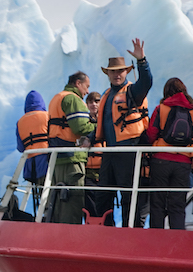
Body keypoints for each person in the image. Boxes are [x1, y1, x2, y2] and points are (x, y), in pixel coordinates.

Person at [94, 38, 152, 227]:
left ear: (126, 72)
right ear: (108, 74)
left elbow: (146, 82)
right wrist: (88, 139)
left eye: (120, 71)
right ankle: (105, 228)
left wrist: (142, 61)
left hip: (128, 151)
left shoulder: (132, 92)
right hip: (110, 152)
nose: (116, 75)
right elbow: (102, 124)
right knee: (103, 193)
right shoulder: (106, 95)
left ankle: (130, 230)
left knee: (128, 193)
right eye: (113, 72)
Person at [145, 78, 193, 229]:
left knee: (157, 203)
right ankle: (176, 239)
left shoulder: (161, 109)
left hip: (160, 159)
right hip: (183, 162)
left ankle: (156, 238)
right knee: (177, 205)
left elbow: (151, 135)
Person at [45, 71, 95, 223]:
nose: (87, 92)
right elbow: (80, 127)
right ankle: (70, 238)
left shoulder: (57, 97)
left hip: (57, 157)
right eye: (86, 87)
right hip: (72, 158)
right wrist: (99, 128)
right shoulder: (73, 99)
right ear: (78, 83)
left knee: (58, 201)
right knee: (72, 203)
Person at [15, 90, 49, 213]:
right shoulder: (47, 116)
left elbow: (20, 147)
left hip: (31, 166)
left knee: (40, 197)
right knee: (52, 194)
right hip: (47, 162)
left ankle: (43, 216)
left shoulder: (20, 122)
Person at [84, 91, 103, 219]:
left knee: (105, 207)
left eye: (96, 101)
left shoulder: (106, 122)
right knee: (89, 208)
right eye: (90, 102)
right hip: (88, 172)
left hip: (103, 171)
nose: (93, 104)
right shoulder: (83, 124)